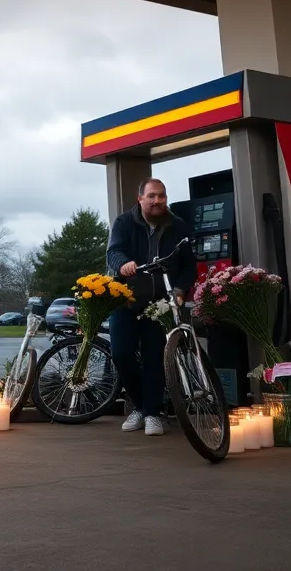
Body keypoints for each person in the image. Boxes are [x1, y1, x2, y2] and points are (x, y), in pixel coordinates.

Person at [106, 178, 196, 435]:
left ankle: (153, 413)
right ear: (140, 199)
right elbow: (114, 252)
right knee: (121, 354)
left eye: (162, 196)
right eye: (152, 196)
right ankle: (139, 406)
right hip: (126, 299)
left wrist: (179, 291)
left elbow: (189, 265)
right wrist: (123, 264)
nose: (157, 201)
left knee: (154, 358)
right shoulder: (124, 222)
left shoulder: (177, 226)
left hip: (159, 304)